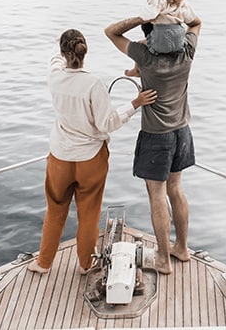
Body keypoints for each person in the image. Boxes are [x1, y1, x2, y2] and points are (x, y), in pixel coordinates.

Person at [28, 28, 158, 275]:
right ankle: (86, 265)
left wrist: (60, 46)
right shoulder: (92, 84)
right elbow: (107, 123)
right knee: (88, 214)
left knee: (55, 210)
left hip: (60, 158)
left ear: (64, 52)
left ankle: (44, 263)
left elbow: (55, 60)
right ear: (84, 51)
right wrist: (135, 104)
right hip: (90, 160)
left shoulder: (54, 78)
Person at [104, 8, 202, 275]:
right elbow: (197, 21)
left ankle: (163, 259)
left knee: (157, 195)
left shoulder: (144, 56)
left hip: (156, 135)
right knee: (176, 190)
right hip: (182, 131)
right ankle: (181, 248)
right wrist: (175, 10)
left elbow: (111, 32)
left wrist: (143, 17)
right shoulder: (187, 53)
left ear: (152, 37)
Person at [124, 0, 199, 78]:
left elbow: (147, 15)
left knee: (140, 43)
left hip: (159, 42)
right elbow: (191, 19)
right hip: (178, 44)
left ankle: (136, 70)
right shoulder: (181, 2)